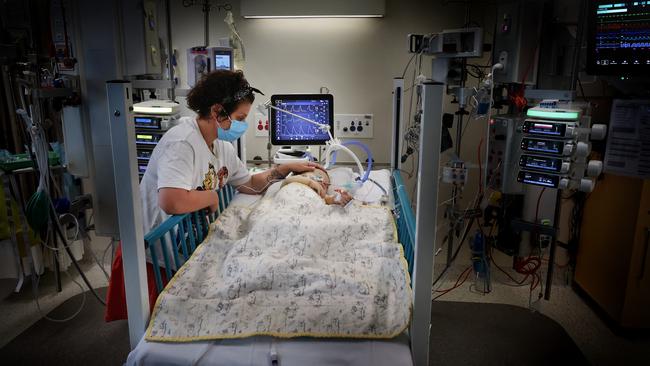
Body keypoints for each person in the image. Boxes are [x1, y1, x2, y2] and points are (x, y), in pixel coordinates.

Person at [105, 70, 321, 321]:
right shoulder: (183, 142)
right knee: (161, 321)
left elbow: (249, 183)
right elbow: (171, 200)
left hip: (181, 247)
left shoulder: (221, 146)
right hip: (155, 256)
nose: (242, 125)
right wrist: (211, 197)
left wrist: (281, 171)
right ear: (218, 112)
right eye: (240, 118)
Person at [281, 166, 353, 206]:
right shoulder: (295, 181)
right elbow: (286, 182)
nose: (323, 182)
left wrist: (338, 198)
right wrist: (309, 182)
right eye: (319, 177)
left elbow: (328, 200)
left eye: (326, 186)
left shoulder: (321, 195)